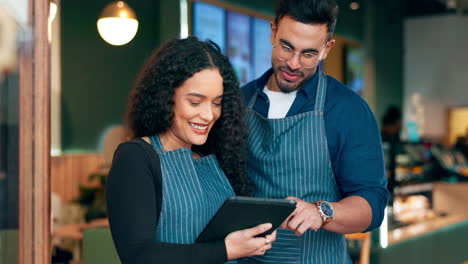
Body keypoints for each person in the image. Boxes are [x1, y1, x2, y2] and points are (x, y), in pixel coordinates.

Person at [241, 0, 389, 263]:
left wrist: (322, 212)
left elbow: (373, 203)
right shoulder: (240, 102)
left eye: (308, 54)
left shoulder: (347, 109)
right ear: (273, 32)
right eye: (286, 47)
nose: (294, 64)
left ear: (326, 48)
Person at [106, 37, 276, 264]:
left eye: (217, 103)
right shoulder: (136, 158)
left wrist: (253, 235)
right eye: (195, 102)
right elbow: (139, 255)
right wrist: (226, 250)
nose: (208, 114)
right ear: (165, 97)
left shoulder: (211, 158)